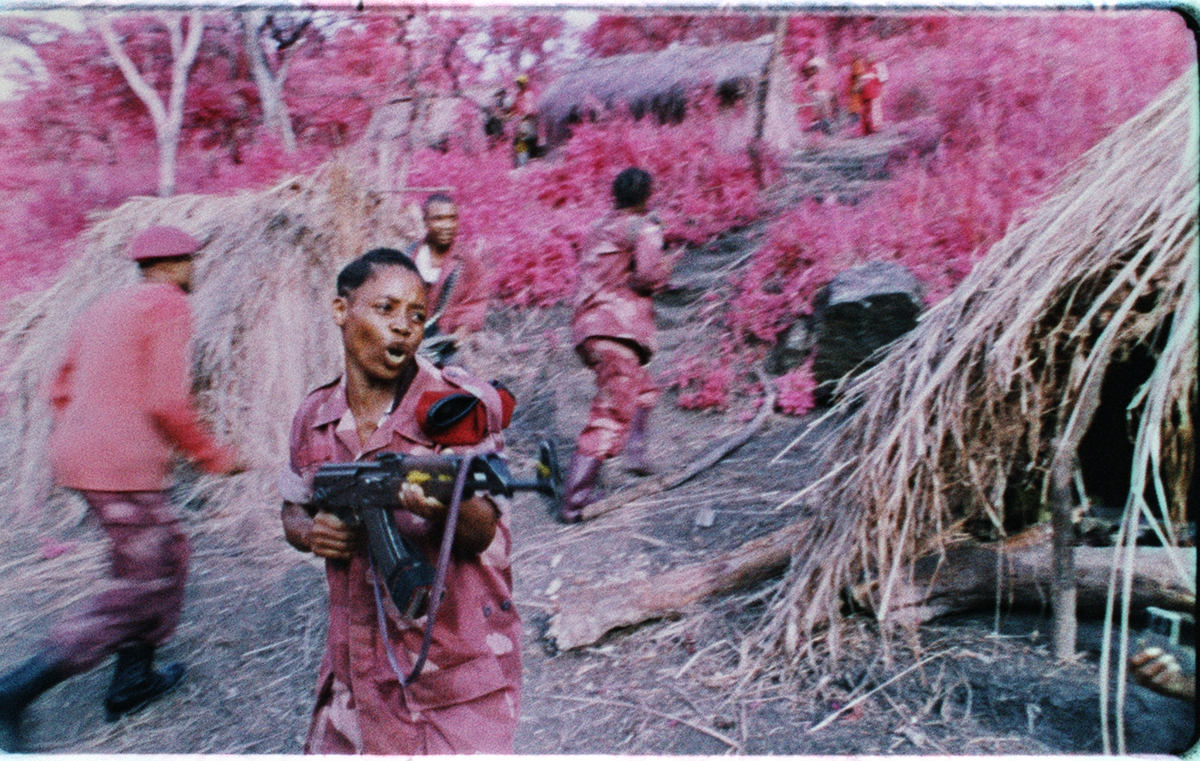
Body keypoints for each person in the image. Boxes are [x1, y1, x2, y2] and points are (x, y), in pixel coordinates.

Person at [0, 225, 242, 752]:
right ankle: (15, 690)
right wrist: (215, 457)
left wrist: (88, 434)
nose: (195, 270)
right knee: (138, 589)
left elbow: (57, 387)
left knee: (165, 557)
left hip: (81, 453)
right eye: (192, 261)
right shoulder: (167, 304)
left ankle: (133, 680)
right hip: (119, 462)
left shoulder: (102, 307)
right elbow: (166, 403)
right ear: (174, 265)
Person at [278, 248, 521, 754]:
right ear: (342, 310)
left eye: (415, 315)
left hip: (449, 679)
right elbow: (294, 504)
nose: (403, 328)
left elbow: (481, 532)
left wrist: (440, 500)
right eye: (385, 309)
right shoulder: (313, 414)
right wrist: (309, 532)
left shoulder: (456, 407)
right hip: (354, 679)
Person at [559, 168, 678, 523]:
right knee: (611, 412)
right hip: (618, 329)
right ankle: (575, 501)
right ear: (647, 196)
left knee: (643, 390)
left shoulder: (598, 227)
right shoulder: (644, 228)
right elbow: (648, 277)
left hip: (589, 327)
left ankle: (635, 455)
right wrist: (667, 263)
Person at [405, 194, 488, 362]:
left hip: (446, 345)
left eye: (452, 219)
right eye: (438, 219)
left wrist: (463, 328)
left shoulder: (466, 260)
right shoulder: (408, 257)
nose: (447, 226)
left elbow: (476, 299)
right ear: (425, 221)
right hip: (409, 343)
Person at [800, 56, 836, 134]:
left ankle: (817, 128)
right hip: (826, 95)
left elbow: (806, 87)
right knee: (826, 113)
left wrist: (806, 93)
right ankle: (827, 128)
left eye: (812, 69)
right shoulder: (826, 77)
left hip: (817, 95)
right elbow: (831, 88)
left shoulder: (814, 77)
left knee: (817, 114)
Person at [854, 53, 888, 136]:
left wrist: (884, 92)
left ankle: (872, 128)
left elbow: (883, 81)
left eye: (870, 58)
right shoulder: (866, 68)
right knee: (869, 112)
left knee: (872, 111)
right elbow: (858, 83)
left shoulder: (875, 67)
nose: (869, 59)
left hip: (870, 94)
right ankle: (870, 129)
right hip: (868, 94)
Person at [511, 74, 539, 167]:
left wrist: (523, 116)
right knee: (519, 143)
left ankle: (524, 165)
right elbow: (513, 109)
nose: (518, 85)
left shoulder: (528, 94)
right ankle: (522, 164)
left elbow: (531, 110)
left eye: (520, 83)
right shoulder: (518, 95)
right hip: (521, 124)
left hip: (528, 123)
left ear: (525, 83)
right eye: (518, 83)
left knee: (523, 141)